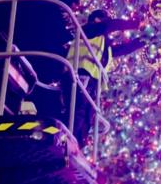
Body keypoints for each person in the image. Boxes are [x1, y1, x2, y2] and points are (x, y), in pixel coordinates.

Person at [61, 9, 146, 148]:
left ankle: (77, 147)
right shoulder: (88, 30)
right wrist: (137, 24)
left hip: (90, 81)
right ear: (97, 20)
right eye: (104, 20)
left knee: (87, 115)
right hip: (78, 74)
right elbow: (110, 25)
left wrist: (144, 40)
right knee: (78, 110)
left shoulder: (104, 44)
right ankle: (67, 143)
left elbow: (124, 49)